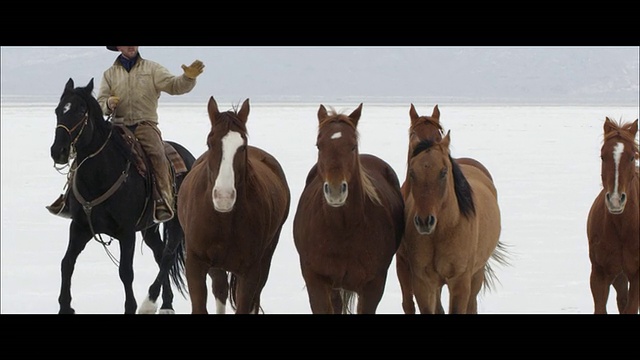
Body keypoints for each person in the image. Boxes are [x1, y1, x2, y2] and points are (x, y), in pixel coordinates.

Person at [46, 46, 205, 223]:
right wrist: (107, 103)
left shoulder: (152, 69)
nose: (131, 46)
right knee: (87, 151)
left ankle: (162, 200)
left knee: (157, 154)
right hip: (117, 125)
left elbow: (175, 86)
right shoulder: (110, 74)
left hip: (145, 125)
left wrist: (188, 78)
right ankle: (69, 198)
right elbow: (99, 104)